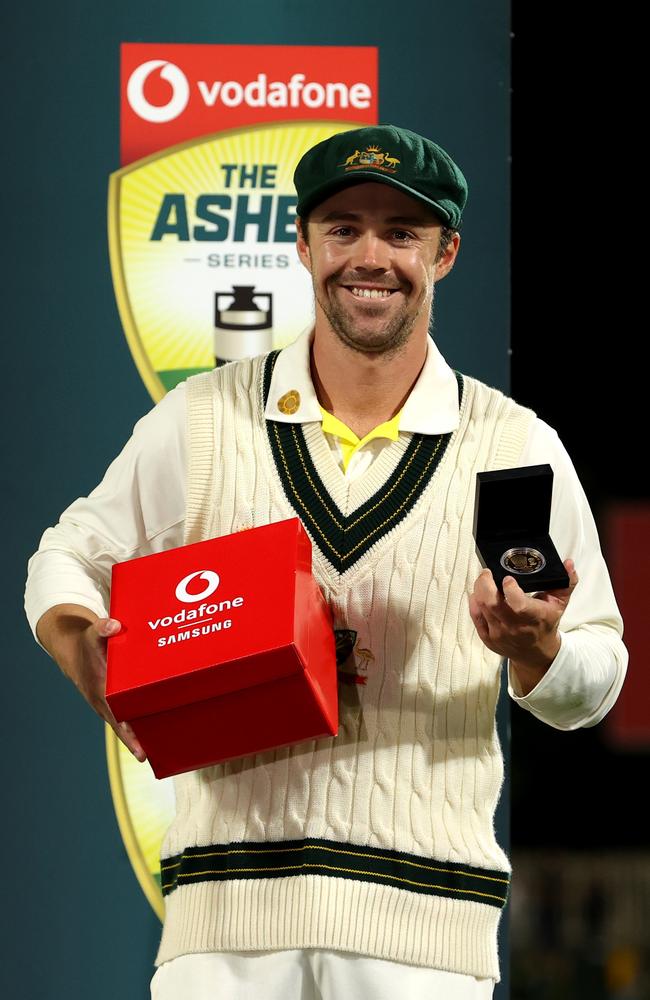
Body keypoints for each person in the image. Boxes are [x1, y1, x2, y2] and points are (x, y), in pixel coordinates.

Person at [25, 124, 627, 999]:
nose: (370, 256)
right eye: (344, 228)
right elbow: (66, 555)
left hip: (423, 935)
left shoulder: (514, 445)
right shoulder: (203, 419)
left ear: (446, 253)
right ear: (303, 245)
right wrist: (86, 649)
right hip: (223, 929)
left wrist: (537, 651)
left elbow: (600, 674)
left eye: (402, 232)